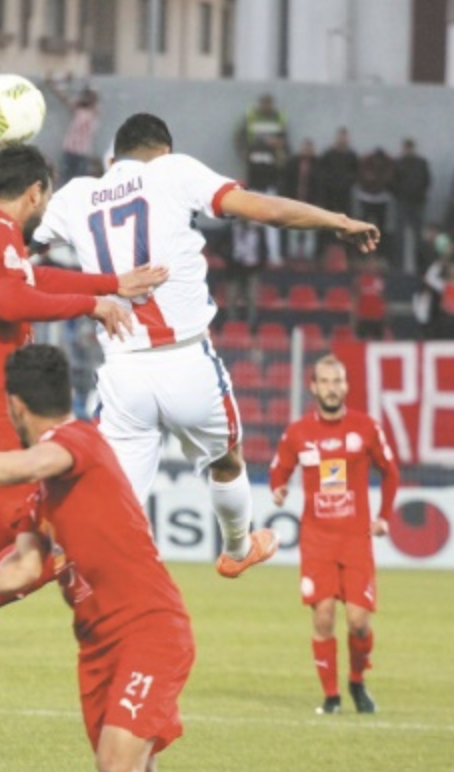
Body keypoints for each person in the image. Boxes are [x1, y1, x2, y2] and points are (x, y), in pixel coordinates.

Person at [30, 112, 380, 576]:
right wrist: (337, 220)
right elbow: (266, 210)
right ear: (164, 151)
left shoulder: (76, 195)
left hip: (123, 372)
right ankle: (238, 549)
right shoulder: (173, 171)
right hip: (187, 363)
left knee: (110, 507)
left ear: (112, 160)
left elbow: (13, 255)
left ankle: (52, 561)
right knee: (226, 461)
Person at [0, 143, 168, 617]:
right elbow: (10, 301)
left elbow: (35, 281)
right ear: (34, 192)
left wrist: (110, 285)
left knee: (23, 522)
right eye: (48, 197)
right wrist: (92, 305)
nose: (46, 207)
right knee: (56, 541)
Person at [0, 344, 195, 772]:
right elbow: (23, 569)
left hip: (147, 632)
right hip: (97, 646)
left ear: (16, 406)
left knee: (115, 763)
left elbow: (30, 464)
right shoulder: (44, 496)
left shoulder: (76, 440)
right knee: (132, 766)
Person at [270, 354, 400, 715]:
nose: (332, 388)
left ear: (346, 385)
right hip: (317, 539)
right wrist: (278, 487)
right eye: (325, 381)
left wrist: (384, 516)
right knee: (323, 616)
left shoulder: (366, 428)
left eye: (338, 381)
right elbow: (279, 468)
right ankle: (331, 697)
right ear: (313, 387)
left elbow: (390, 472)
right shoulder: (298, 432)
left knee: (359, 622)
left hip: (356, 539)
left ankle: (357, 680)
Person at [236, 93, 288, 265]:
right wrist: (244, 152)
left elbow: (284, 148)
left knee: (272, 223)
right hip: (254, 185)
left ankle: (274, 256)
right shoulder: (251, 120)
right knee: (251, 223)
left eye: (269, 103)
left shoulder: (278, 119)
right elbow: (239, 136)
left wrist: (279, 148)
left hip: (270, 185)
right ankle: (250, 256)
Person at [45, 76, 100, 185]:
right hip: (70, 150)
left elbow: (92, 96)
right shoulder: (79, 109)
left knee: (81, 182)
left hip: (82, 153)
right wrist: (53, 84)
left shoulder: (94, 111)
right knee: (65, 180)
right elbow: (63, 97)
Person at [392, 138, 431, 274]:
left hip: (418, 203)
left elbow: (427, 181)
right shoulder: (398, 163)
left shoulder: (421, 163)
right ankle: (398, 266)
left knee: (419, 237)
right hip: (402, 202)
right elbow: (393, 181)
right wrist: (399, 194)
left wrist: (420, 195)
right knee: (400, 236)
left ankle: (421, 266)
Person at [283, 139, 324, 262]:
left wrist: (318, 202)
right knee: (293, 231)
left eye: (309, 148)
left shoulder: (318, 165)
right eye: (305, 148)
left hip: (311, 203)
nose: (307, 151)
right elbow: (287, 182)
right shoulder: (293, 163)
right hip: (294, 202)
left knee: (310, 232)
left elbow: (320, 185)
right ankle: (293, 257)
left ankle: (308, 258)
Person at [319, 127, 359, 217]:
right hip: (329, 193)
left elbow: (356, 172)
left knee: (344, 216)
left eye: (345, 138)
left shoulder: (352, 155)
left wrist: (348, 182)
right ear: (337, 138)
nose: (342, 140)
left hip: (345, 194)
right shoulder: (328, 154)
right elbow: (322, 171)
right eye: (341, 138)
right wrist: (329, 181)